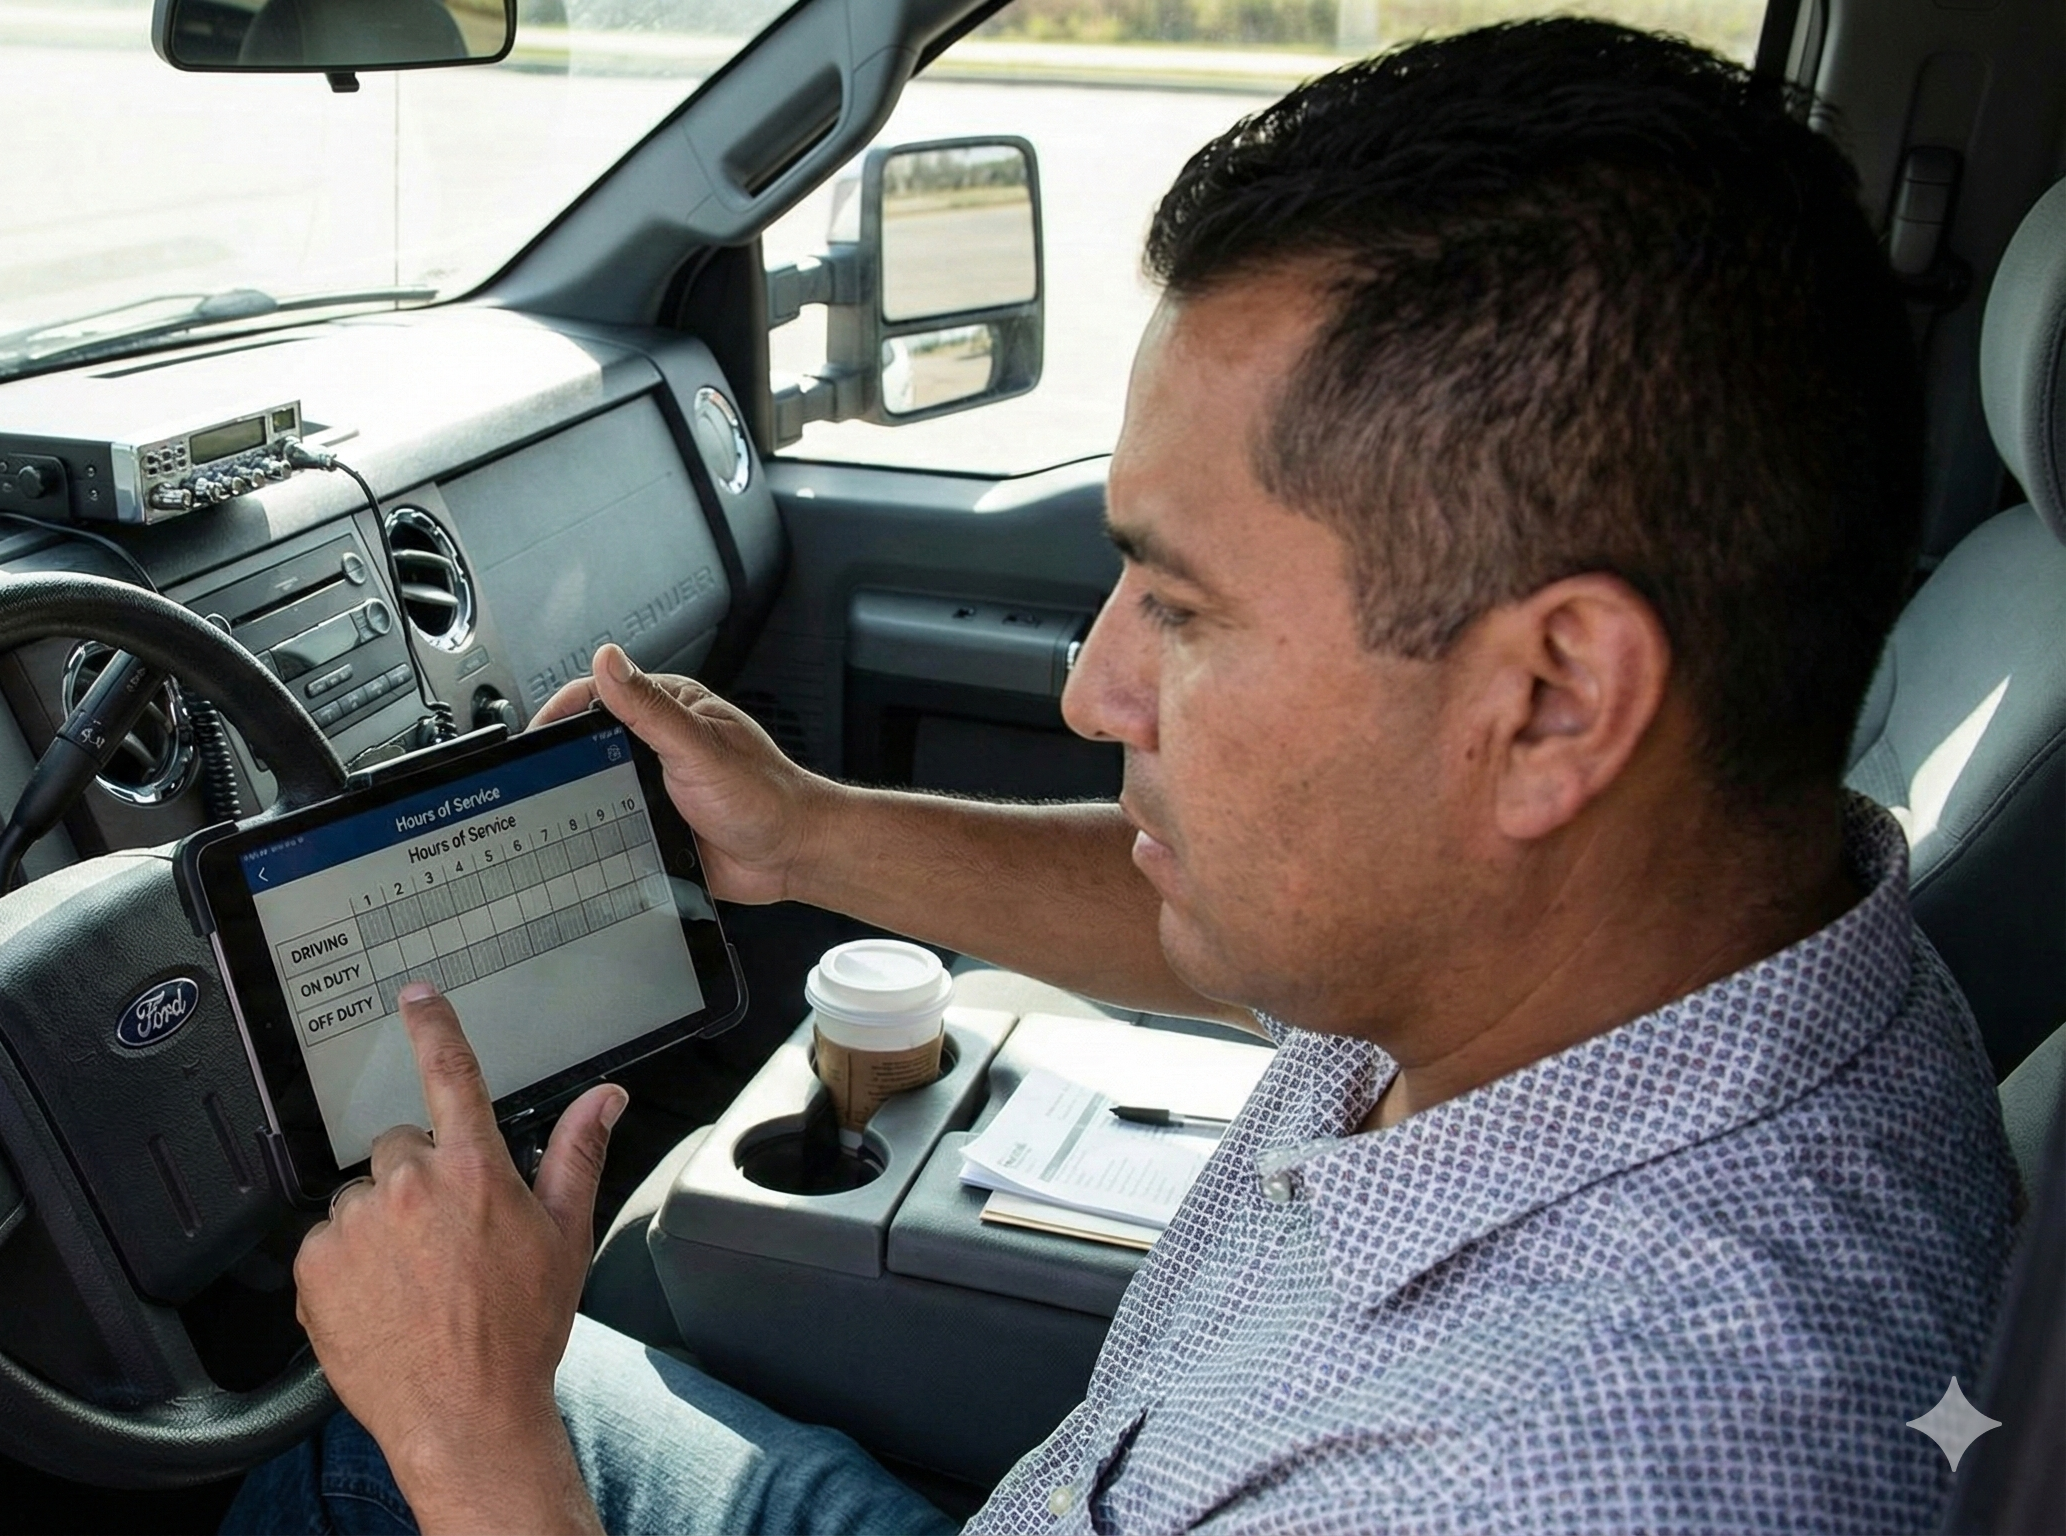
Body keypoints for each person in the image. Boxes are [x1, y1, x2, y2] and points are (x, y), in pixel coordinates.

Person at [224, 18, 2017, 1534]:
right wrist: (809, 834)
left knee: (356, 1432)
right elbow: (1221, 928)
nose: (1094, 687)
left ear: (1553, 701)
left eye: (1180, 600)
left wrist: (482, 1452)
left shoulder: (1552, 1475)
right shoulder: (1684, 927)